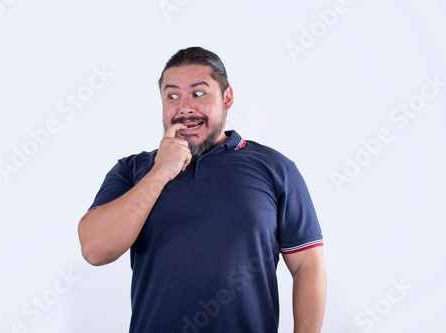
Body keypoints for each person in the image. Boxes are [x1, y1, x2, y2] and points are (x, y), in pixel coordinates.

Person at [78, 46, 327, 333]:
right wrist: (160, 172)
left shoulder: (276, 168)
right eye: (172, 96)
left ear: (227, 98)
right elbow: (95, 251)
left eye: (198, 93)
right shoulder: (132, 170)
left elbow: (308, 266)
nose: (184, 107)